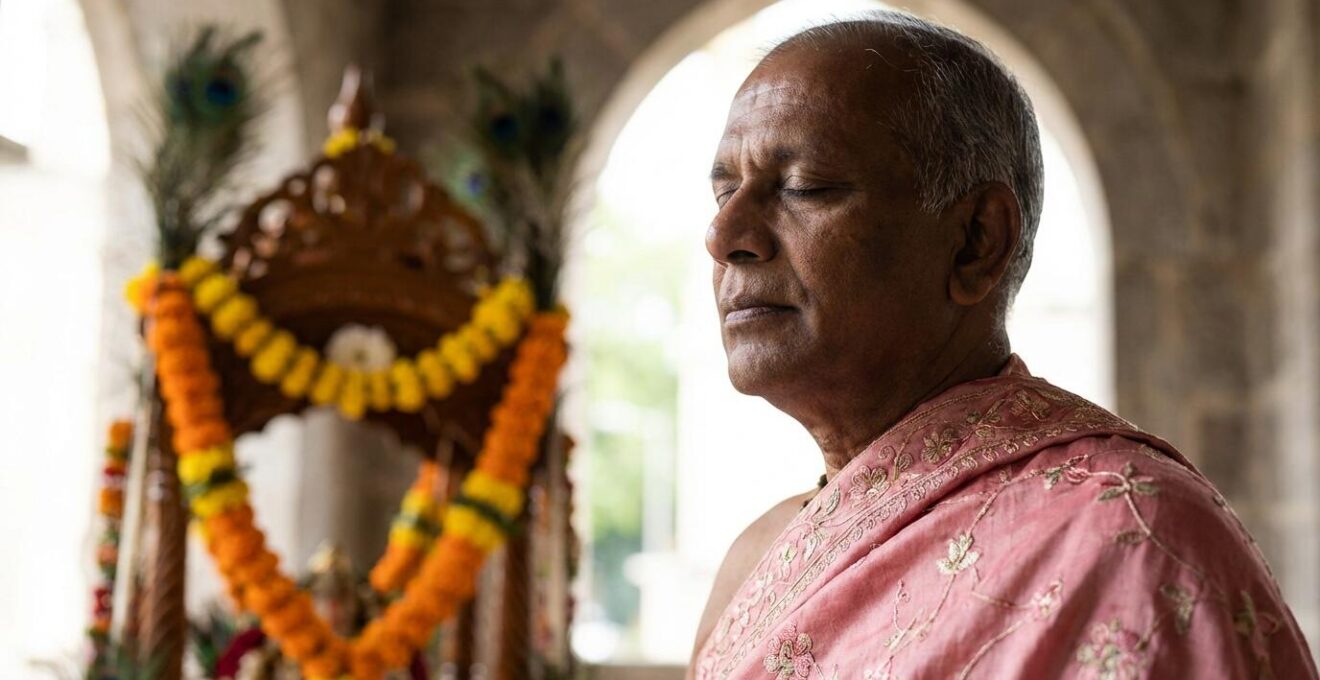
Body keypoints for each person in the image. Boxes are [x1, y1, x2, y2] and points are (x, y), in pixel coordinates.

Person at [690, 10, 1317, 679]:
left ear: (975, 243)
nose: (725, 234)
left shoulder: (1130, 537)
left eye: (804, 186)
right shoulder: (756, 562)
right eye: (725, 190)